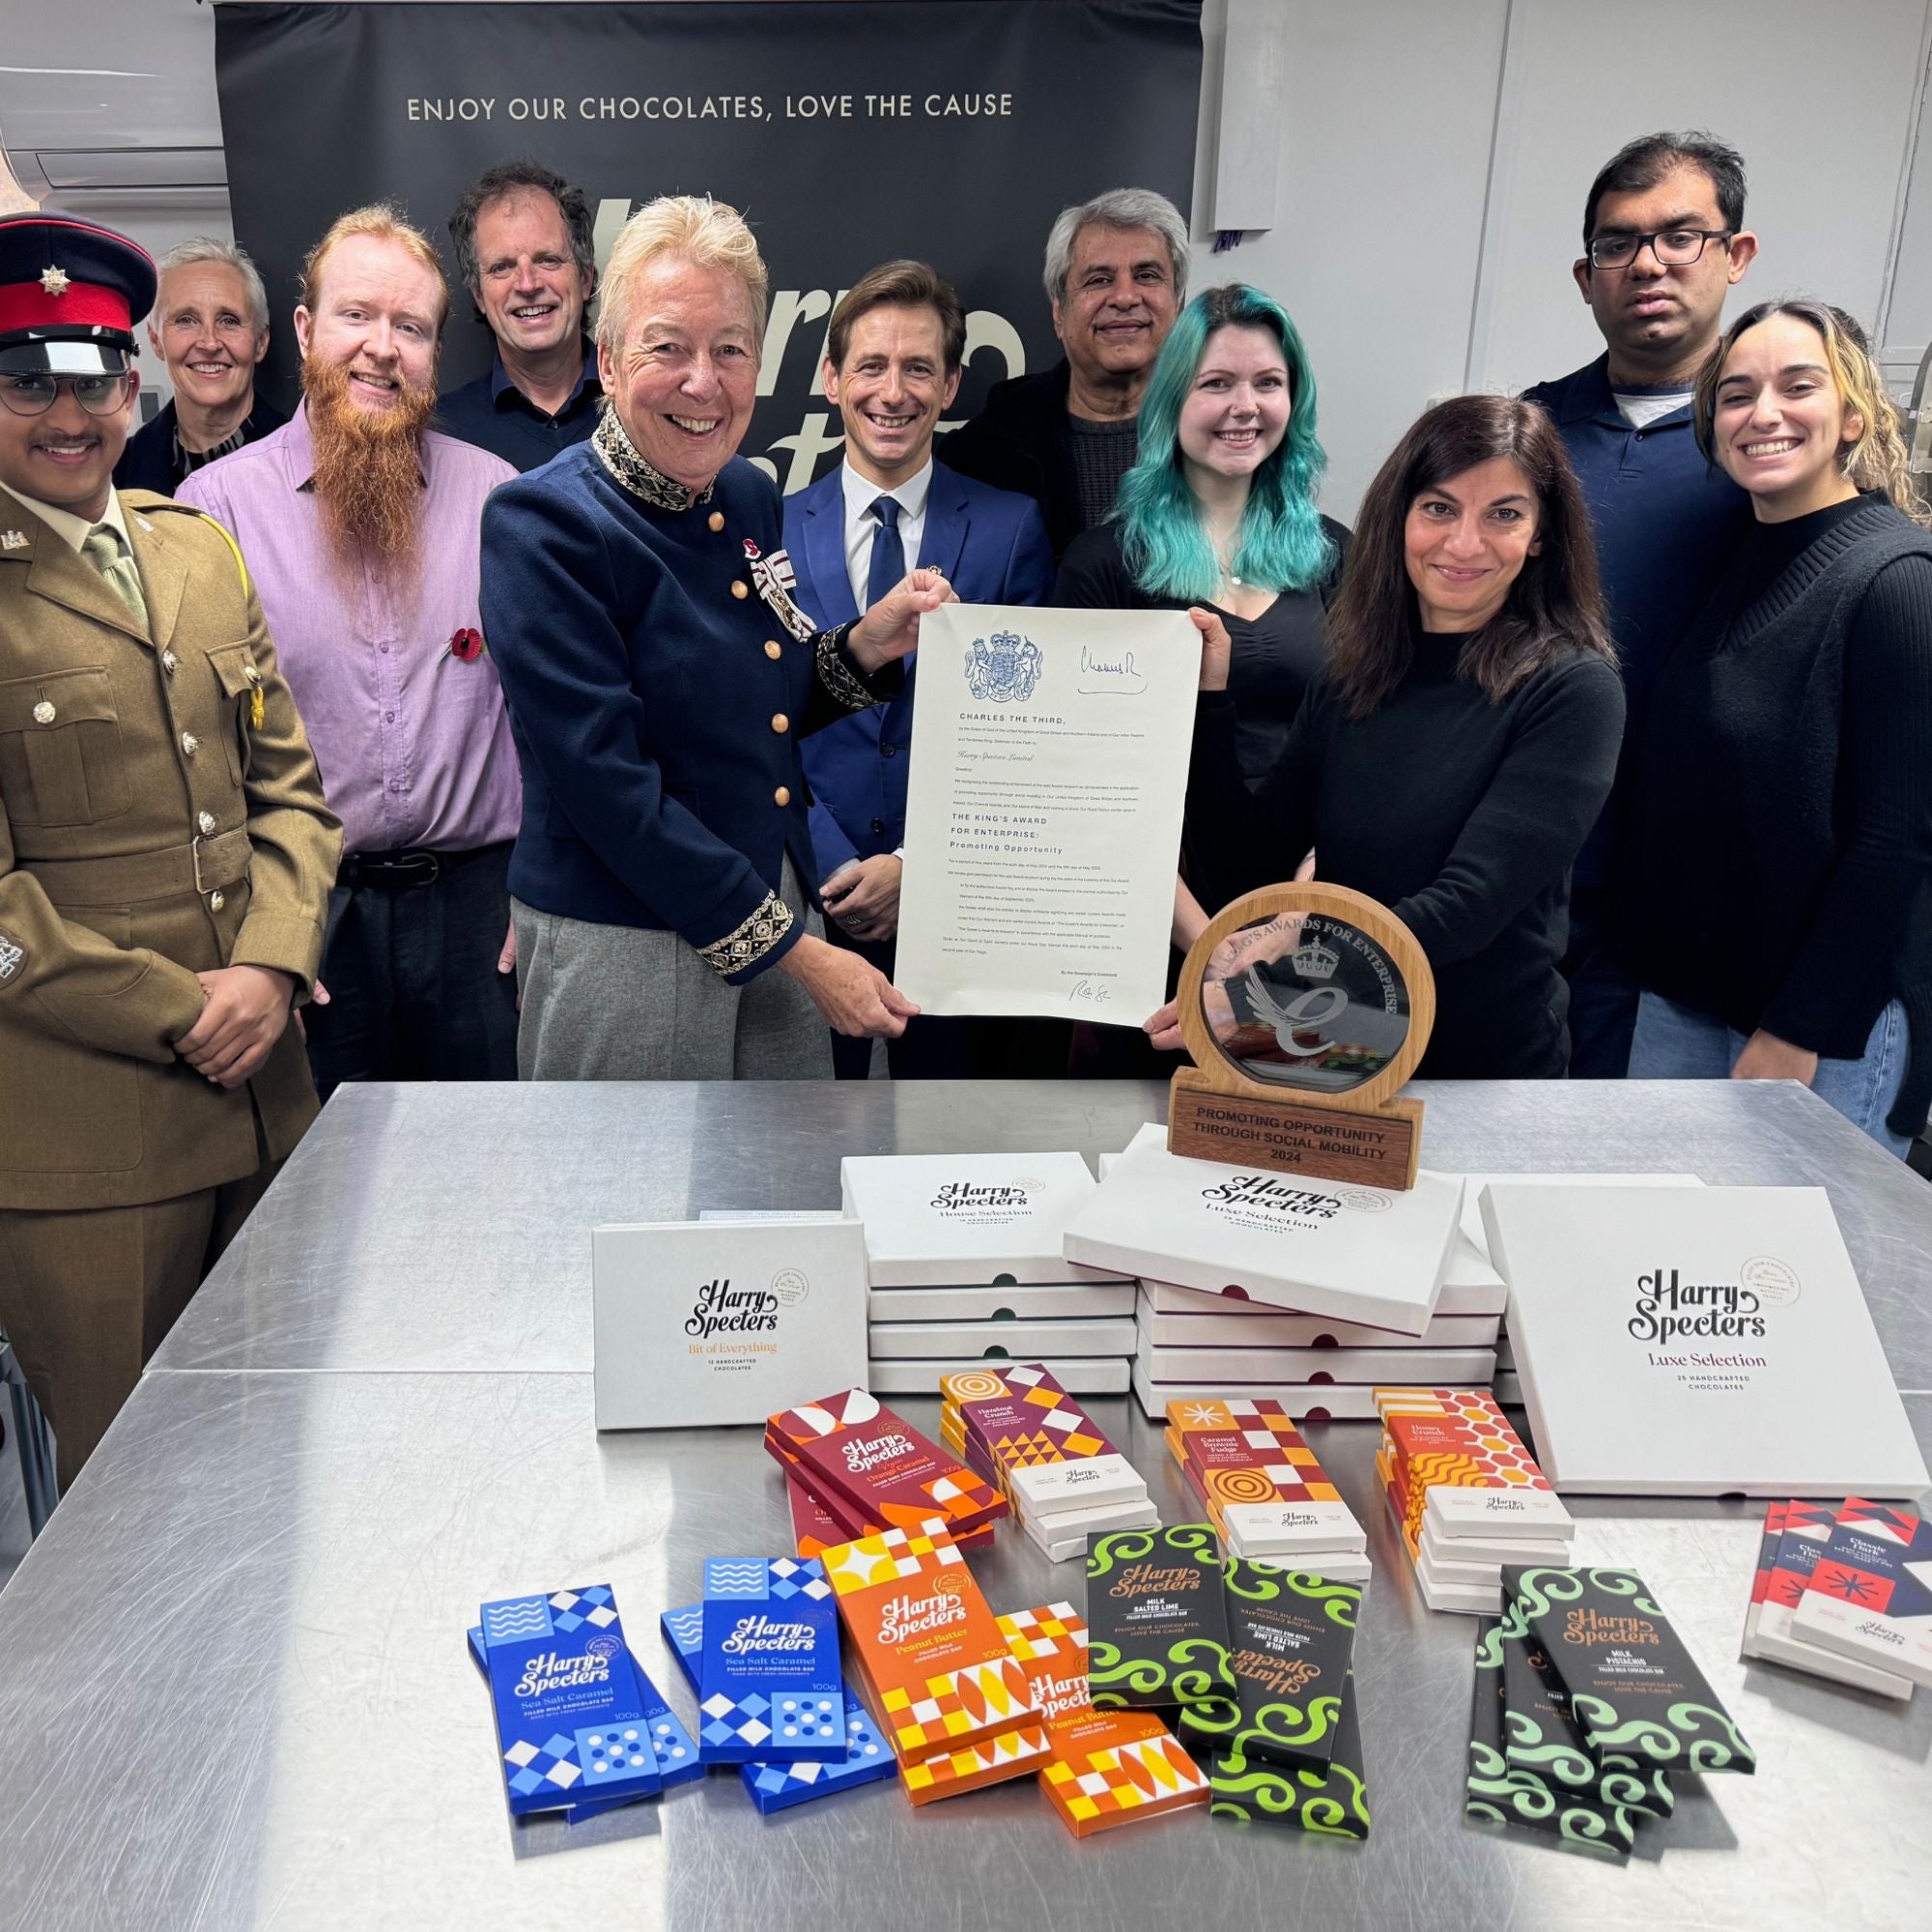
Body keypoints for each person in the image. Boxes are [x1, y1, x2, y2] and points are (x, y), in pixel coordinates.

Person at [0, 214, 339, 1491]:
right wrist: (189, 1010)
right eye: (26, 384)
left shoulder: (195, 547)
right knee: (131, 1508)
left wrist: (273, 963)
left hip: (266, 1109)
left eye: (93, 380)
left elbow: (289, 795)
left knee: (286, 1473)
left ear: (129, 384)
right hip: (93, 1145)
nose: (68, 415)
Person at [479, 196, 950, 1081]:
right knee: (626, 1173)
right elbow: (606, 787)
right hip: (624, 943)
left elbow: (757, 706)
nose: (705, 382)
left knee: (788, 1170)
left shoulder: (746, 493)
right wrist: (800, 954)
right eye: (668, 347)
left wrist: (867, 646)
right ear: (608, 361)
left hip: (773, 902)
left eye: (731, 350)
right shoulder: (541, 524)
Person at [1154, 394, 1624, 1080]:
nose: (1464, 543)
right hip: (1333, 1051)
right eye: (1439, 508)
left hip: (1479, 1070)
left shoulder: (1573, 689)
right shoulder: (1352, 674)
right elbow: (1250, 861)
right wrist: (1212, 699)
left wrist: (1259, 989)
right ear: (1398, 517)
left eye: (1504, 515)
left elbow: (1466, 907)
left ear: (1541, 536)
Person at [180, 205, 521, 1095]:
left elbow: (548, 719)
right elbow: (199, 755)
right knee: (322, 1170)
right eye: (357, 315)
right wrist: (259, 940)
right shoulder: (213, 511)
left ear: (435, 351)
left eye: (410, 327)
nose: (382, 348)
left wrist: (540, 898)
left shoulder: (498, 500)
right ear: (304, 329)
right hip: (307, 914)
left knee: (488, 1163)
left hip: (480, 918)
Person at [1625, 301, 1932, 1158]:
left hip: (1822, 1027)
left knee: (1797, 1247)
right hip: (1692, 996)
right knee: (1666, 1232)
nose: (1764, 413)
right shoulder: (1741, 556)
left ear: (1853, 416)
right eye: (1737, 394)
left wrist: (1797, 1028)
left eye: (1799, 387)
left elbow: (1897, 841)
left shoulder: (1897, 579)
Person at [1058, 280, 1348, 1077]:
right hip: (1155, 938)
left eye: (1268, 382)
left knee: (1288, 1149)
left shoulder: (1338, 558)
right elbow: (1085, 789)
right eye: (1216, 383)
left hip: (1307, 937)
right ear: (1171, 400)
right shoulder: (1104, 565)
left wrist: (1292, 918)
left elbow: (1366, 754)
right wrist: (1215, 950)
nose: (1244, 407)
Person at [1523, 129, 1758, 1078]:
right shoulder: (1531, 432)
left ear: (1736, 255)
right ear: (1586, 277)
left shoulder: (1772, 449)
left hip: (1699, 888)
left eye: (1679, 235)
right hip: (1541, 861)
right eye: (1617, 243)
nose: (1648, 264)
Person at [784, 259, 1053, 1078]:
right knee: (800, 1135)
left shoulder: (1011, 530)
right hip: (806, 905)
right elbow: (757, 723)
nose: (893, 392)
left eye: (918, 369)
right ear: (832, 378)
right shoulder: (769, 530)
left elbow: (1027, 739)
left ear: (951, 385)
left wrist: (916, 866)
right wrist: (833, 864)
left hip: (959, 913)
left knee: (946, 1135)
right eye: (871, 366)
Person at [939, 186, 1186, 559]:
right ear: (1059, 313)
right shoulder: (984, 452)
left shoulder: (1230, 437)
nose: (1125, 297)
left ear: (1179, 304)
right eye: (1099, 279)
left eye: (1147, 275)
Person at [438, 158, 603, 471]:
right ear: (479, 295)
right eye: (502, 267)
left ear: (585, 279)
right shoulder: (441, 434)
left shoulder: (645, 406)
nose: (527, 284)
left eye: (548, 260)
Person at [113, 238, 288, 497]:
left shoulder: (313, 461)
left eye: (229, 321)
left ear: (261, 342)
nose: (209, 343)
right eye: (186, 320)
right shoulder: (115, 478)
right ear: (155, 340)